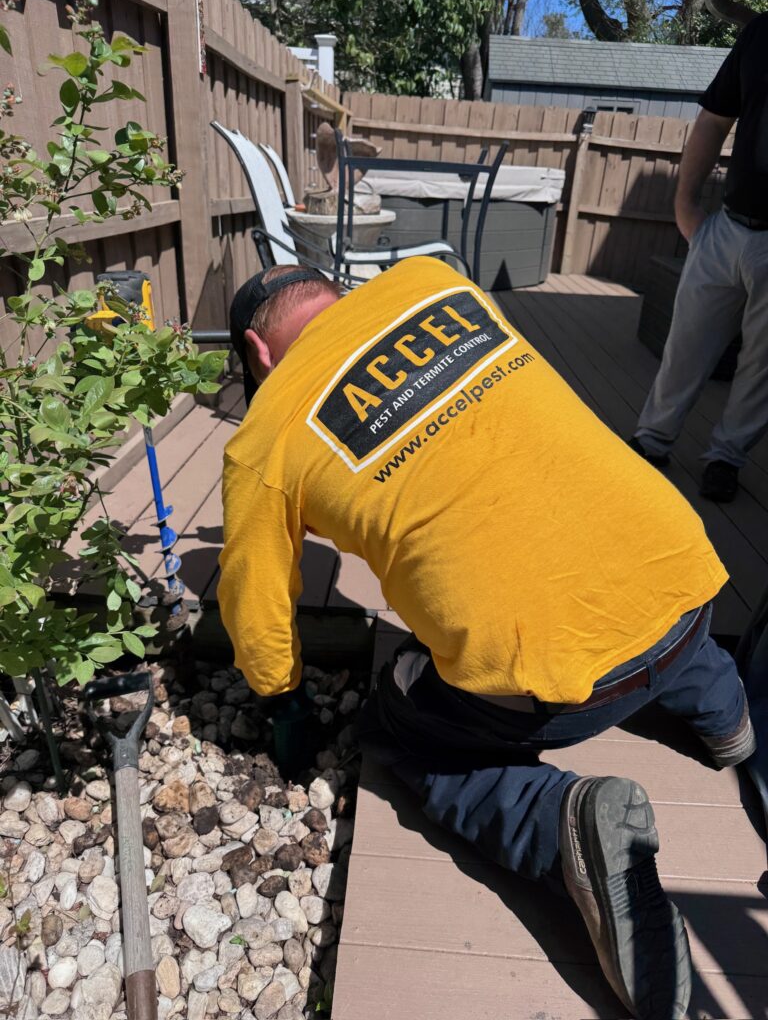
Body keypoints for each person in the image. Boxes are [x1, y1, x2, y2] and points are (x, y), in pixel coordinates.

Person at [219, 258, 756, 1020]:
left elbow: (256, 615)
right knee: (638, 584)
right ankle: (724, 711)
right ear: (335, 294)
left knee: (404, 727)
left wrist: (283, 702)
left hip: (550, 687)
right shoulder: (436, 284)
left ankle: (559, 821)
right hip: (687, 577)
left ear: (258, 351)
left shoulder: (265, 440)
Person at [630, 14, 768, 503]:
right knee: (684, 346)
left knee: (761, 366)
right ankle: (652, 440)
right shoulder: (760, 34)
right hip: (726, 228)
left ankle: (726, 458)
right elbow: (713, 119)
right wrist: (685, 205)